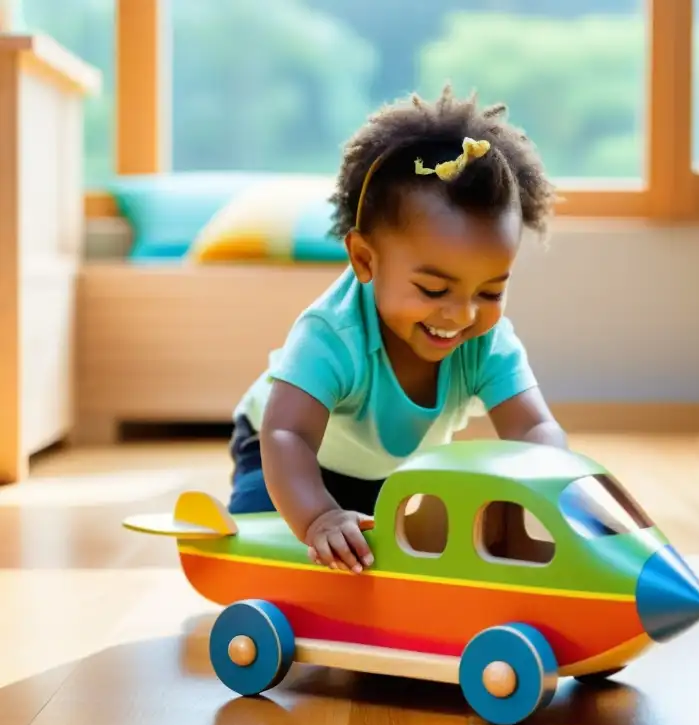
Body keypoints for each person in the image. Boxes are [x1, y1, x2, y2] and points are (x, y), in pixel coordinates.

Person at [227, 86, 568, 574]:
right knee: (275, 532)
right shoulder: (331, 333)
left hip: (388, 474)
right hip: (288, 455)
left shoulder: (486, 342)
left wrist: (547, 480)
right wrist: (318, 517)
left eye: (490, 292)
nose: (462, 315)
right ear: (365, 260)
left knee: (426, 536)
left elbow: (533, 426)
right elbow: (288, 432)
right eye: (433, 290)